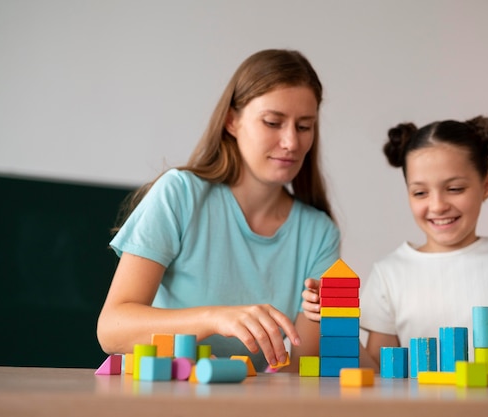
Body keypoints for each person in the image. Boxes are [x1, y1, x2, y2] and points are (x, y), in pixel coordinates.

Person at [96, 49, 340, 373]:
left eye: (304, 126)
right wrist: (216, 318)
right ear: (231, 121)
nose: (291, 142)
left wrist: (332, 318)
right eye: (272, 122)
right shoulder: (179, 194)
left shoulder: (320, 233)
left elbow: (299, 368)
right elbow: (112, 329)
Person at [302, 115, 488, 372]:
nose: (437, 205)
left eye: (455, 189)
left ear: (486, 186)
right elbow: (378, 371)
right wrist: (337, 322)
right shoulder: (389, 274)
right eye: (420, 192)